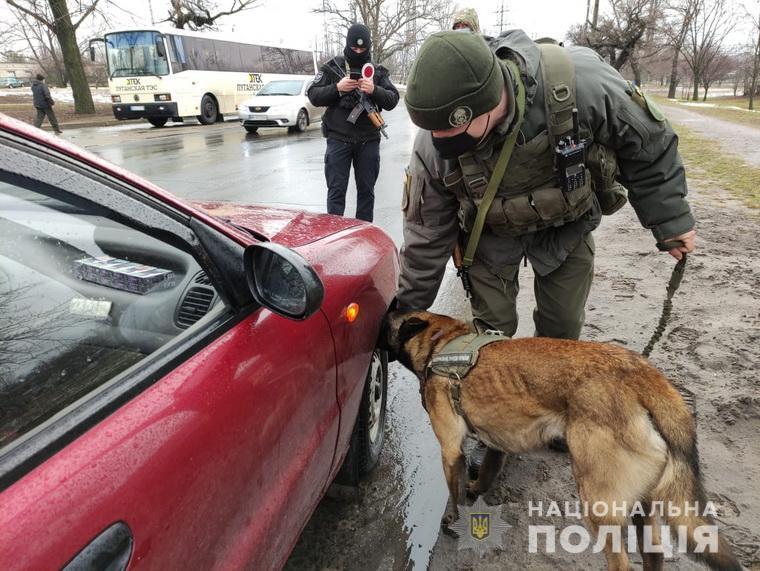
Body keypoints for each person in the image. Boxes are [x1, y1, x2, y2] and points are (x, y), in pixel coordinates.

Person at [398, 30, 696, 341]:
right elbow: (426, 231)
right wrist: (405, 315)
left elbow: (648, 143)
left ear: (485, 103)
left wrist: (671, 220)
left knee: (561, 335)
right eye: (432, 130)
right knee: (490, 341)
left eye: (451, 129)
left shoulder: (584, 83)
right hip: (488, 235)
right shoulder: (432, 145)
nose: (439, 140)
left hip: (566, 228)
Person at [307, 23, 399, 222]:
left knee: (366, 192)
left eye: (362, 48)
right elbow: (313, 95)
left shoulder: (376, 71)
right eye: (354, 47)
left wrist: (374, 90)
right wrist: (338, 88)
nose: (358, 51)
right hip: (338, 140)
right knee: (336, 192)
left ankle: (363, 235)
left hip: (368, 141)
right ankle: (332, 236)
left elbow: (393, 99)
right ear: (348, 44)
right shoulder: (334, 67)